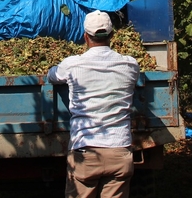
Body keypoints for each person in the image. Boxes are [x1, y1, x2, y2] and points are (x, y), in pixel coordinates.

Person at [47, 10, 139, 198]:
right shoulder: (130, 65)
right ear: (112, 35)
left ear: (85, 37)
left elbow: (52, 75)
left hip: (85, 152)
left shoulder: (72, 65)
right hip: (119, 150)